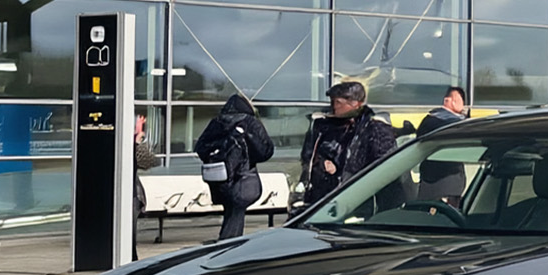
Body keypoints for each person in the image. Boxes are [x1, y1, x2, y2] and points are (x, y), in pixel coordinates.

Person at [299, 80, 399, 209]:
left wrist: (341, 171)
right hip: (322, 196)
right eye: (332, 102)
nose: (334, 107)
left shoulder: (375, 128)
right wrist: (321, 162)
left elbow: (384, 165)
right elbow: (308, 155)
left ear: (355, 104)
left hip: (359, 197)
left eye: (338, 103)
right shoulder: (323, 127)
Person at [196, 93, 275, 241]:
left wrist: (217, 156)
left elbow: (200, 148)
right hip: (244, 177)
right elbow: (266, 152)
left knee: (232, 211)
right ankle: (227, 244)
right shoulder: (250, 122)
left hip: (219, 178)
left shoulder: (217, 122)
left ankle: (227, 242)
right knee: (236, 210)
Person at [412, 85, 471, 204]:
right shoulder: (447, 123)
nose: (462, 105)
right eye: (458, 100)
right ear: (447, 101)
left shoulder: (431, 120)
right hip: (445, 183)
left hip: (434, 182)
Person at [132, 113, 159, 258]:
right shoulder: (131, 145)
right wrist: (139, 142)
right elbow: (148, 162)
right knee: (129, 235)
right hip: (131, 194)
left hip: (132, 194)